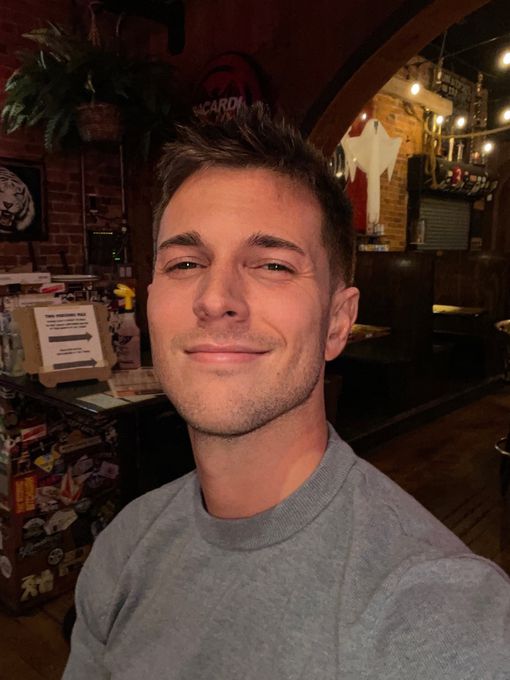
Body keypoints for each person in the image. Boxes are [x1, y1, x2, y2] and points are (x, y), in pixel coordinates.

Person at [63, 107, 510, 680]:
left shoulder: (438, 610)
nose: (215, 298)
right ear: (151, 302)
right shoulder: (125, 547)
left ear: (337, 322)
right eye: (186, 262)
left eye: (273, 264)